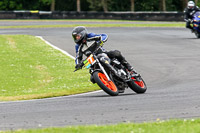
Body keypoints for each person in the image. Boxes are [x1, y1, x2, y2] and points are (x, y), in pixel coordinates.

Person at [72, 26, 136, 77]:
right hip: (92, 60)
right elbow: (78, 57)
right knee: (92, 78)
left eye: (77, 36)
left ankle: (128, 66)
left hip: (103, 53)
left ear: (83, 34)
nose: (76, 38)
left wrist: (101, 40)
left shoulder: (90, 36)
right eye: (75, 37)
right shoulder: (78, 46)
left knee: (116, 53)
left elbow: (104, 35)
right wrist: (78, 64)